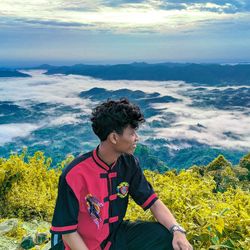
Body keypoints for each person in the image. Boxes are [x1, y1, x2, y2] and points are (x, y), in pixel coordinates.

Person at [50, 98, 193, 250]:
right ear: (113, 138)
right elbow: (68, 232)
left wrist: (177, 230)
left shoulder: (129, 163)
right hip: (79, 244)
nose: (136, 138)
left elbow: (153, 202)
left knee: (165, 235)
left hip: (114, 237)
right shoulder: (74, 174)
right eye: (132, 133)